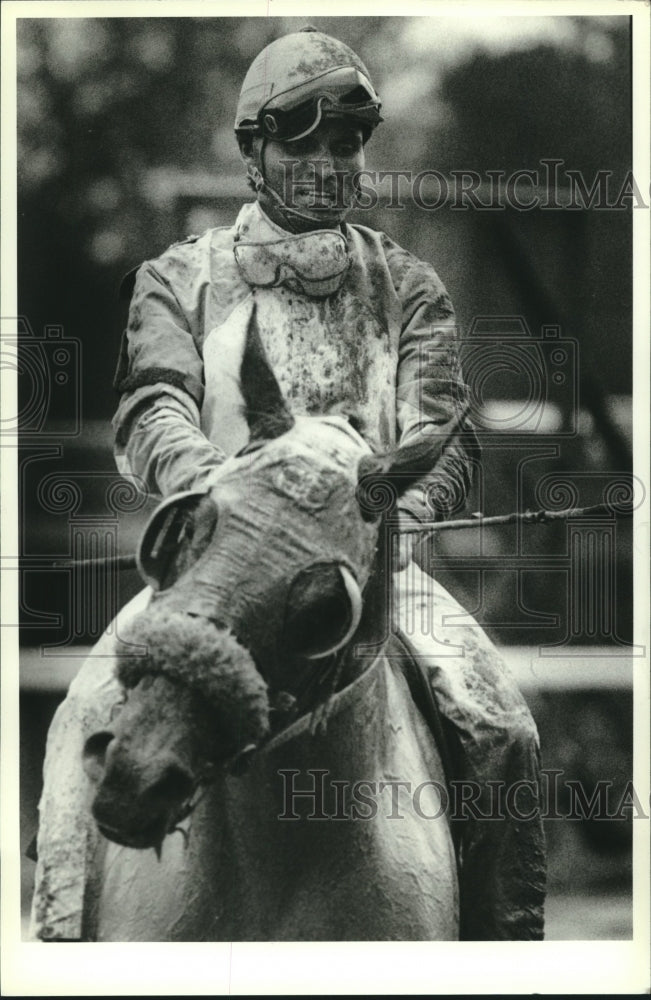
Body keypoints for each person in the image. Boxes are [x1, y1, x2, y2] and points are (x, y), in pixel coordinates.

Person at [31, 27, 545, 941]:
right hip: (211, 571)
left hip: (366, 572)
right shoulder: (176, 277)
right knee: (83, 721)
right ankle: (67, 942)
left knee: (502, 725)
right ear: (253, 152)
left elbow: (444, 441)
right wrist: (235, 508)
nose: (324, 161)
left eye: (344, 142)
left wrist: (390, 521)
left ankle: (499, 950)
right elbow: (152, 409)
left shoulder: (410, 286)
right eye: (299, 140)